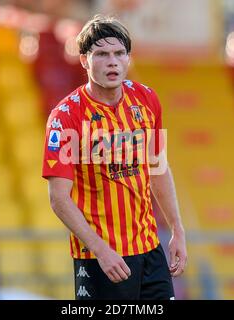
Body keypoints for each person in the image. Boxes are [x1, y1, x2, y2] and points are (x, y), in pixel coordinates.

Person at [42, 14, 187, 300]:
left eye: (120, 53)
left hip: (150, 251)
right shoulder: (66, 117)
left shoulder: (146, 100)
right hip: (102, 259)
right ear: (84, 60)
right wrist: (100, 250)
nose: (113, 61)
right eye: (102, 54)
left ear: (129, 58)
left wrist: (177, 229)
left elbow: (157, 168)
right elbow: (59, 198)